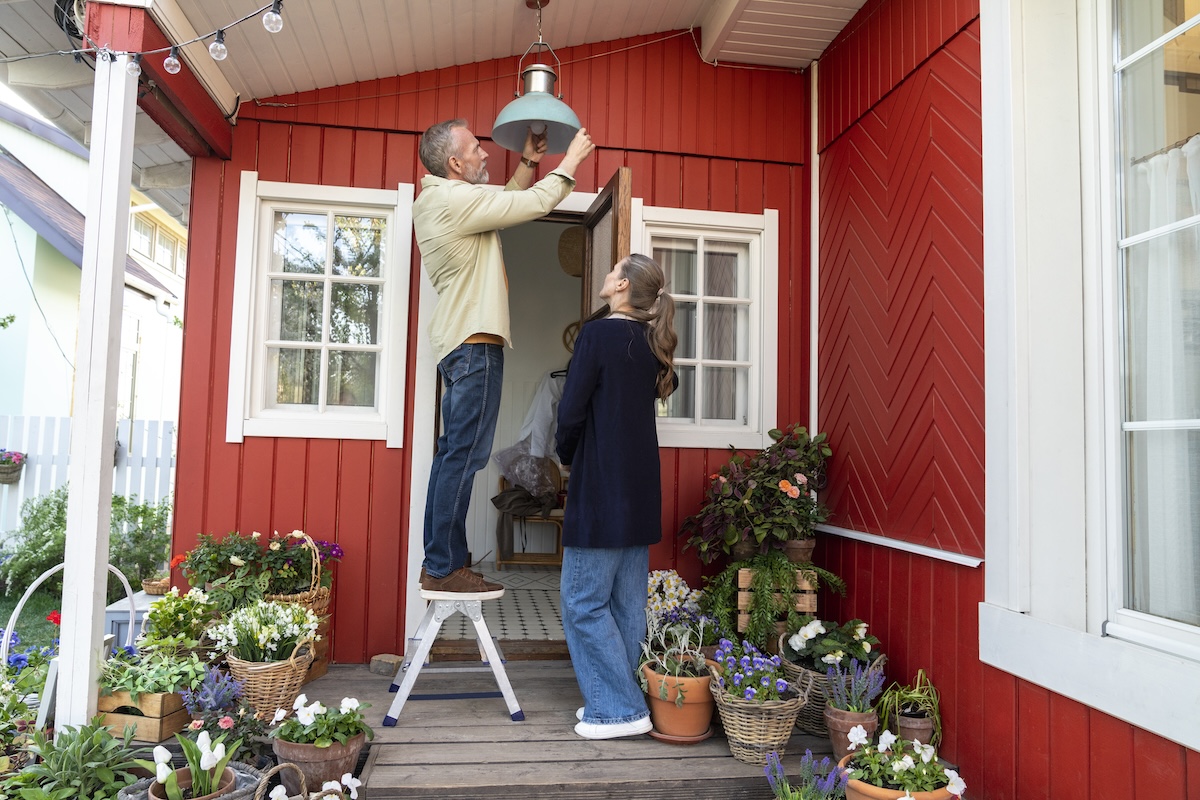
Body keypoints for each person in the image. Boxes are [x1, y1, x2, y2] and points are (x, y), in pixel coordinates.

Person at [413, 119, 595, 594]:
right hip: (474, 345)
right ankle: (443, 566)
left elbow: (505, 199)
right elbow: (530, 204)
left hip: (463, 344)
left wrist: (530, 163)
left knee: (453, 456)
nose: (484, 153)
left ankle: (441, 561)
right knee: (464, 457)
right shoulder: (453, 200)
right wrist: (569, 161)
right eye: (476, 148)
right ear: (455, 163)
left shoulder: (443, 199)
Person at [555, 253, 678, 739]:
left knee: (582, 602)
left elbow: (571, 410)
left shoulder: (599, 334)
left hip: (602, 486)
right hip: (641, 489)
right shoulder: (652, 341)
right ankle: (615, 703)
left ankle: (618, 710)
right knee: (626, 605)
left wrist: (567, 456)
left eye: (612, 272)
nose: (605, 276)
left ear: (622, 285)